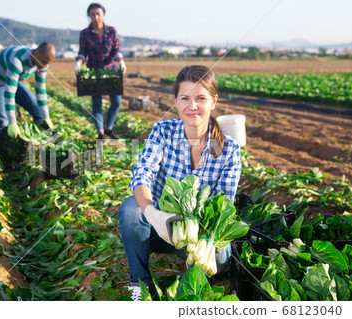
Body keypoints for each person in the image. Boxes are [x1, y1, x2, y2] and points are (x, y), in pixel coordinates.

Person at [118, 65, 242, 301]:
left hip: (202, 234)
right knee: (130, 210)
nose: (192, 106)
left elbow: (223, 204)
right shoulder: (163, 131)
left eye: (201, 98)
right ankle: (139, 282)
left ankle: (192, 270)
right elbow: (142, 173)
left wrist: (198, 240)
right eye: (184, 98)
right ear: (175, 101)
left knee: (221, 264)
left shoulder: (230, 149)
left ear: (214, 101)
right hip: (162, 229)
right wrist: (154, 214)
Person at [75, 2, 126, 140]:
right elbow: (82, 52)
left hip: (110, 70)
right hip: (94, 72)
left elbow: (115, 50)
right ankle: (101, 133)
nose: (96, 17)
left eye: (98, 14)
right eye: (93, 14)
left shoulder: (111, 31)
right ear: (89, 16)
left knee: (116, 102)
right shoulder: (85, 34)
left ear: (103, 15)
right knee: (96, 103)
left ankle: (109, 128)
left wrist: (120, 60)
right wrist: (78, 63)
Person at [0, 42, 56, 140]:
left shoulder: (43, 63)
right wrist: (12, 123)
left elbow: (41, 90)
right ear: (36, 53)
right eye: (44, 62)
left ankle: (41, 139)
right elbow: (9, 93)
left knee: (36, 108)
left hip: (11, 79)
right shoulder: (17, 60)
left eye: (48, 63)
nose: (45, 66)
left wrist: (46, 117)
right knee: (2, 121)